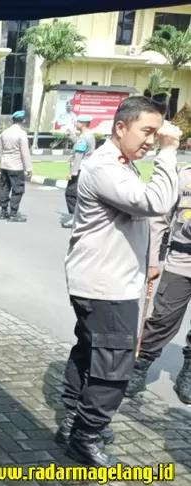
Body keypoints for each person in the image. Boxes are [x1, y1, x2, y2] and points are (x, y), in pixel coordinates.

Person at [59, 96, 179, 467]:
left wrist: (150, 263)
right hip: (105, 286)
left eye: (157, 133)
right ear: (121, 127)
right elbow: (155, 202)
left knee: (88, 353)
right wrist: (169, 152)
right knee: (114, 365)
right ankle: (86, 435)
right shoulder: (105, 166)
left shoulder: (121, 164)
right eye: (147, 131)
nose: (152, 139)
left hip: (106, 281)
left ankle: (72, 421)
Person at [124, 160, 191, 405]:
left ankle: (188, 373)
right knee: (163, 318)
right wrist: (153, 260)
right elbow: (160, 220)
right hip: (181, 260)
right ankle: (139, 367)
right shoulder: (183, 176)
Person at [0, 110, 32, 222]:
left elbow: (0, 151)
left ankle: (3, 211)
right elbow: (25, 152)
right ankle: (13, 213)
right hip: (16, 166)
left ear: (12, 120)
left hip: (4, 165)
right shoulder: (22, 134)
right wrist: (29, 168)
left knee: (4, 187)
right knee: (18, 190)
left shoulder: (4, 132)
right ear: (23, 120)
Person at [62, 115, 96, 229]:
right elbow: (80, 145)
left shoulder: (83, 137)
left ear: (82, 124)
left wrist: (73, 172)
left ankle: (74, 219)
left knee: (71, 194)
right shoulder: (89, 135)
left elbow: (79, 155)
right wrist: (71, 135)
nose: (76, 124)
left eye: (77, 123)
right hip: (87, 168)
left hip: (80, 168)